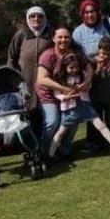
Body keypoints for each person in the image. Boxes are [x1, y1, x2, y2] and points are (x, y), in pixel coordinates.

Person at [72, 0, 110, 151]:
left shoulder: (109, 23)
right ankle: (94, 142)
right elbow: (76, 54)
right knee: (94, 110)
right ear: (82, 14)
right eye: (86, 12)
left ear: (98, 12)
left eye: (93, 11)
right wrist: (92, 61)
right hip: (93, 75)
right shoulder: (78, 32)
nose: (90, 15)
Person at [47, 53, 110, 160]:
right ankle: (50, 155)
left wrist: (84, 87)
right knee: (61, 132)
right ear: (64, 67)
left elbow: (89, 86)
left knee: (100, 125)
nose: (74, 70)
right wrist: (65, 97)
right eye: (71, 68)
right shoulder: (61, 79)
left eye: (76, 67)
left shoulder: (83, 75)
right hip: (70, 110)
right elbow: (57, 94)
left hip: (85, 105)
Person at [35, 27, 93, 157]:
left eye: (66, 37)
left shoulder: (75, 53)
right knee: (52, 122)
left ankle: (64, 151)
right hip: (48, 95)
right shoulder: (48, 55)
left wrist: (87, 81)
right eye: (60, 37)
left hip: (70, 94)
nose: (63, 40)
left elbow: (88, 67)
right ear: (54, 39)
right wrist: (64, 89)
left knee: (72, 121)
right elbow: (41, 79)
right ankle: (42, 152)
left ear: (71, 38)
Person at [7, 6, 52, 109]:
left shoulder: (50, 35)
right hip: (25, 81)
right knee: (27, 113)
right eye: (32, 16)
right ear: (28, 18)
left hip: (46, 83)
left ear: (44, 18)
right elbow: (11, 58)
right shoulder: (21, 35)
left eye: (39, 16)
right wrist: (13, 79)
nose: (36, 19)